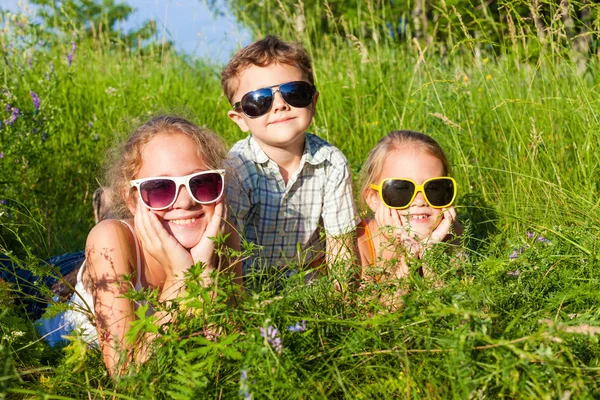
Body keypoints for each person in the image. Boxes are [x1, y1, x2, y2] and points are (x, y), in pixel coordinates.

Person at [37, 115, 242, 375]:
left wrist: (204, 270)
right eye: (160, 188)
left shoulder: (223, 234)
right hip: (49, 292)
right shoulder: (108, 240)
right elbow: (125, 373)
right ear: (132, 200)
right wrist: (181, 277)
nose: (186, 202)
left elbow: (234, 342)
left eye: (201, 182)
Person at [222, 35, 360, 282]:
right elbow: (228, 252)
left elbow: (341, 249)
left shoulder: (332, 163)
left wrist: (343, 303)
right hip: (250, 285)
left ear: (313, 102)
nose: (279, 105)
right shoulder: (237, 168)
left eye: (294, 93)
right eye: (258, 100)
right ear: (240, 118)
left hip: (310, 284)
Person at [357, 130, 462, 283]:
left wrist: (429, 256)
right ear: (374, 198)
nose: (420, 201)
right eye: (401, 189)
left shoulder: (452, 234)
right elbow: (379, 307)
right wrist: (408, 258)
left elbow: (455, 304)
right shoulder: (361, 243)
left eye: (433, 188)